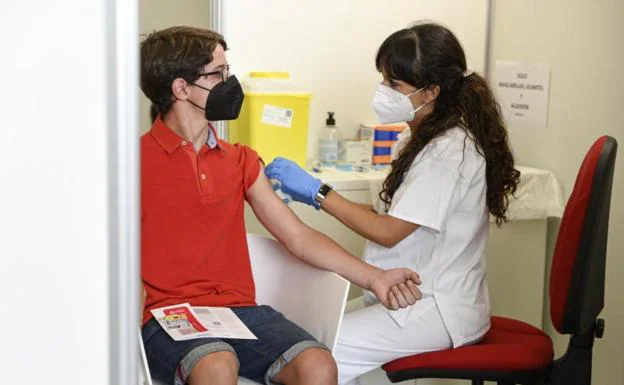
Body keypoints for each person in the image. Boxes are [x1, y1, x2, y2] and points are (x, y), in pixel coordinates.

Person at [139, 26, 422, 385]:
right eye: (218, 74)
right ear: (181, 89)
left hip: (238, 313)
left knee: (319, 365)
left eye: (229, 71)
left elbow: (298, 236)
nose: (230, 82)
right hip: (168, 317)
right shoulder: (132, 164)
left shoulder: (240, 160)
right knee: (216, 364)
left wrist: (375, 277)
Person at [265, 22, 521, 385]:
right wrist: (314, 193)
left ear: (431, 91)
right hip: (405, 294)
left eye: (394, 84)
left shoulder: (450, 149)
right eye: (383, 79)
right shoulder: (414, 138)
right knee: (303, 342)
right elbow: (390, 217)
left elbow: (389, 232)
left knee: (311, 360)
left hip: (436, 305)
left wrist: (317, 193)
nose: (382, 91)